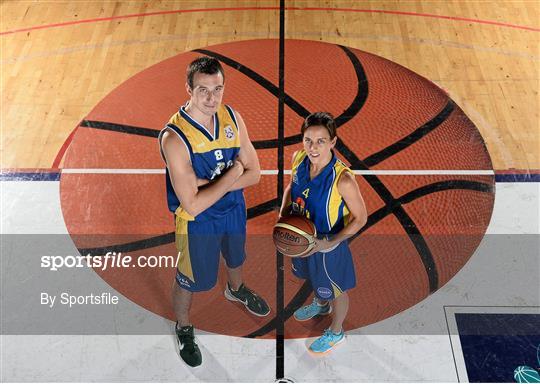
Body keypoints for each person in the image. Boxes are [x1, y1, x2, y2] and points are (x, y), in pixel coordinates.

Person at [158, 56, 270, 368]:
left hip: (233, 210)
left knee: (236, 258)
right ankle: (183, 326)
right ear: (189, 90)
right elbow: (192, 203)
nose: (212, 98)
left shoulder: (233, 117)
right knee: (189, 279)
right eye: (204, 90)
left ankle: (236, 290)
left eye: (218, 89)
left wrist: (211, 183)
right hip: (198, 222)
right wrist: (233, 175)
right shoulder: (174, 138)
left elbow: (256, 173)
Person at [279, 111, 367, 354]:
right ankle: (320, 304)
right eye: (308, 140)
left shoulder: (343, 180)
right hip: (304, 241)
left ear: (333, 142)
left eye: (320, 141)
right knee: (315, 280)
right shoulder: (298, 159)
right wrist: (283, 214)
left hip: (329, 247)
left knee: (336, 290)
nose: (313, 147)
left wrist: (329, 242)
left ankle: (337, 331)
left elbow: (361, 218)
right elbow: (291, 187)